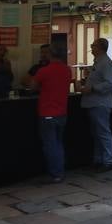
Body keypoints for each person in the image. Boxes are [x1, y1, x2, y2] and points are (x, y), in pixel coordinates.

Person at [24, 45, 71, 183]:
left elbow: (32, 87)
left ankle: (56, 173)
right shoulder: (67, 69)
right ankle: (60, 171)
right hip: (62, 112)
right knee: (58, 143)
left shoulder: (44, 71)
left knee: (50, 144)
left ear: (50, 54)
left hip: (47, 112)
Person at [79, 37, 112, 172]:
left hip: (100, 103)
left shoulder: (105, 63)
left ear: (100, 48)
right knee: (97, 133)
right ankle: (99, 159)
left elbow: (110, 84)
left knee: (103, 132)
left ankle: (108, 160)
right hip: (93, 102)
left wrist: (92, 88)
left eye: (93, 45)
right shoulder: (98, 62)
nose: (91, 48)